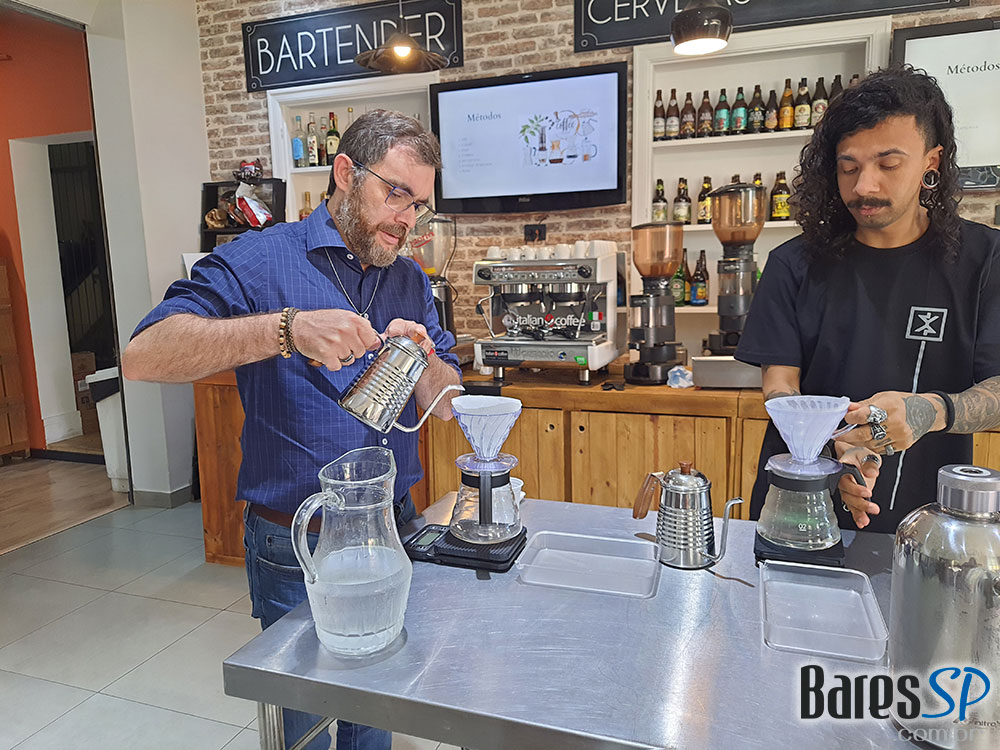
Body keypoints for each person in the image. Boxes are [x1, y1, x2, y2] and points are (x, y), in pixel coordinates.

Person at [122, 110, 461, 750]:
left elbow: (444, 406)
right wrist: (287, 330)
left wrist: (422, 357)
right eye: (396, 193)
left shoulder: (409, 279)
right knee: (302, 722)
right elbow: (145, 355)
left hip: (391, 525)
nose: (407, 220)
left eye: (419, 205)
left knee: (376, 708)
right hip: (297, 538)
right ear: (345, 173)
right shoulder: (259, 259)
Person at [735, 65, 1000, 534]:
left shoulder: (984, 259)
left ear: (932, 162)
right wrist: (830, 446)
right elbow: (780, 385)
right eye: (849, 167)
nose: (864, 187)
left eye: (888, 164)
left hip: (933, 525)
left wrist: (930, 411)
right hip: (797, 508)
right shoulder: (792, 264)